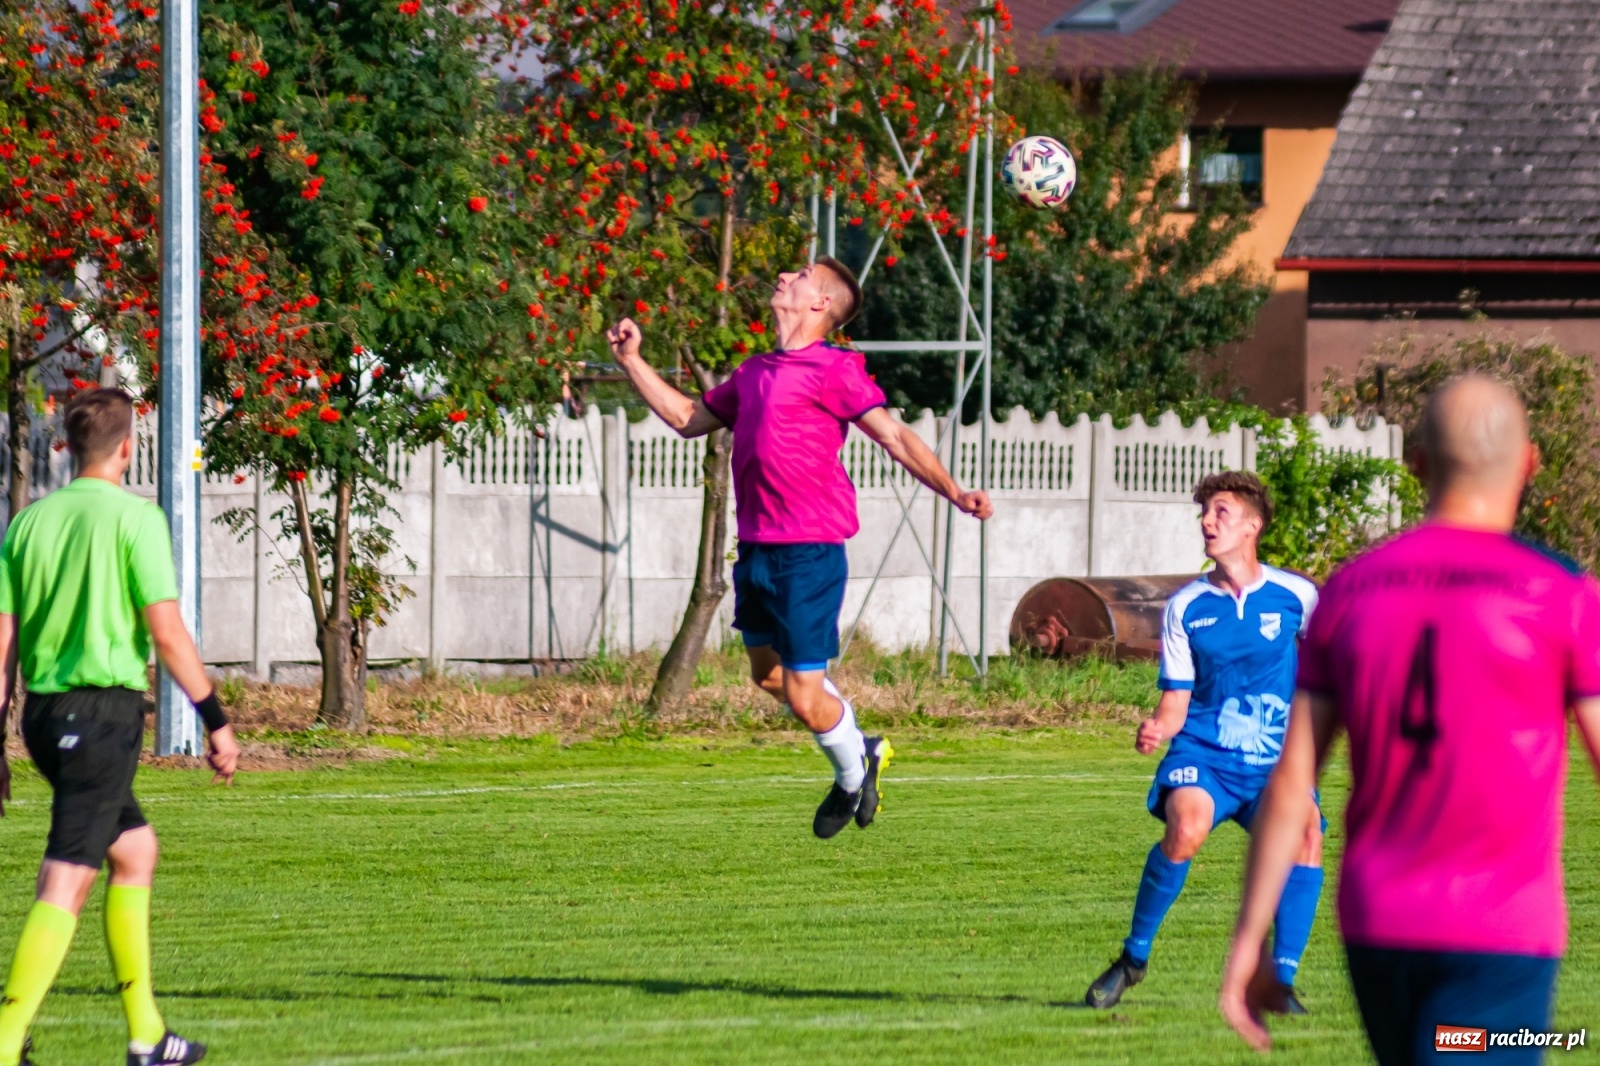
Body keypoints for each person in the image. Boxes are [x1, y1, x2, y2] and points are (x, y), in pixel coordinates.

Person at [1220, 375, 1600, 1064]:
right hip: (1501, 929)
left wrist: (1250, 942)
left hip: (1378, 922)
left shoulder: (1349, 590)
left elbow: (1292, 779)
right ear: (1530, 463)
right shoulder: (1561, 593)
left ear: (1416, 464)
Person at [607, 256, 992, 838]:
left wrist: (954, 490)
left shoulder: (835, 368)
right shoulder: (754, 371)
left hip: (810, 551)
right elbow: (687, 417)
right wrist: (633, 361)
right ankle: (860, 744)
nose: (784, 278)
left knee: (805, 695)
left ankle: (851, 772)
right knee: (767, 677)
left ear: (819, 304)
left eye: (800, 276)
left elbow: (894, 436)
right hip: (757, 550)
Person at [0, 388, 240, 1066]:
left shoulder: (28, 523)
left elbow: (3, 641)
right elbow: (166, 633)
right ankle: (4, 1041)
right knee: (66, 878)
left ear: (70, 449)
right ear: (129, 448)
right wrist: (215, 721)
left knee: (134, 852)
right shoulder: (137, 521)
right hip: (101, 717)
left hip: (45, 719)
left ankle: (147, 1036)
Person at [1086, 471, 1323, 1010]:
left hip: (1273, 762)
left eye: (1220, 512)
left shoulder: (1298, 597)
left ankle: (1280, 983)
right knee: (1187, 827)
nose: (1207, 522)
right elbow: (1175, 701)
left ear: (1252, 527)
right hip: (1206, 754)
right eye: (1205, 513)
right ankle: (1133, 958)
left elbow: (1328, 669)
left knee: (1307, 834)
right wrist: (1157, 728)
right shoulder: (1186, 607)